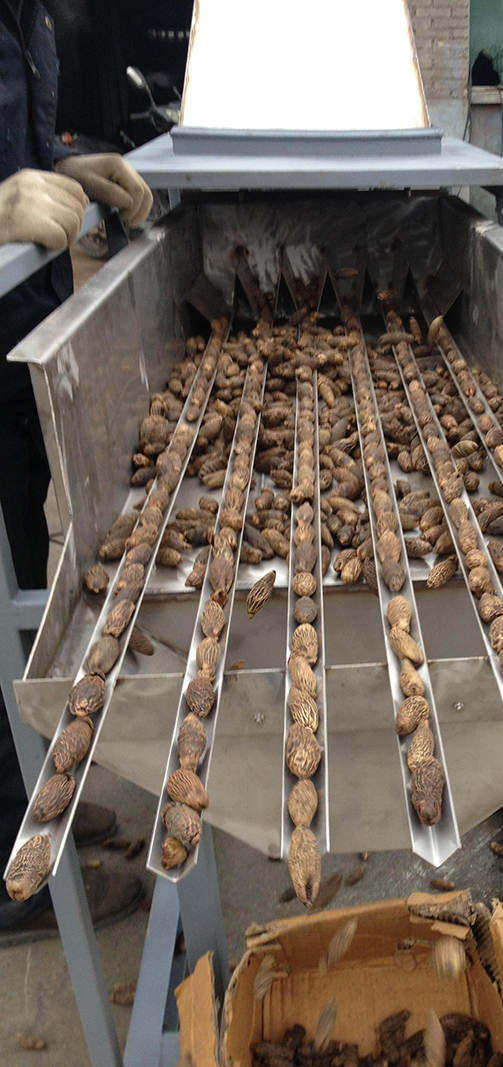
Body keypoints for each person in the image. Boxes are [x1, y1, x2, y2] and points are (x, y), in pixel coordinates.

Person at [0, 0, 153, 941]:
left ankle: (21, 799)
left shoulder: (33, 22)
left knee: (19, 587)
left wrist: (63, 173)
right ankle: (14, 885)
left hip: (16, 356)